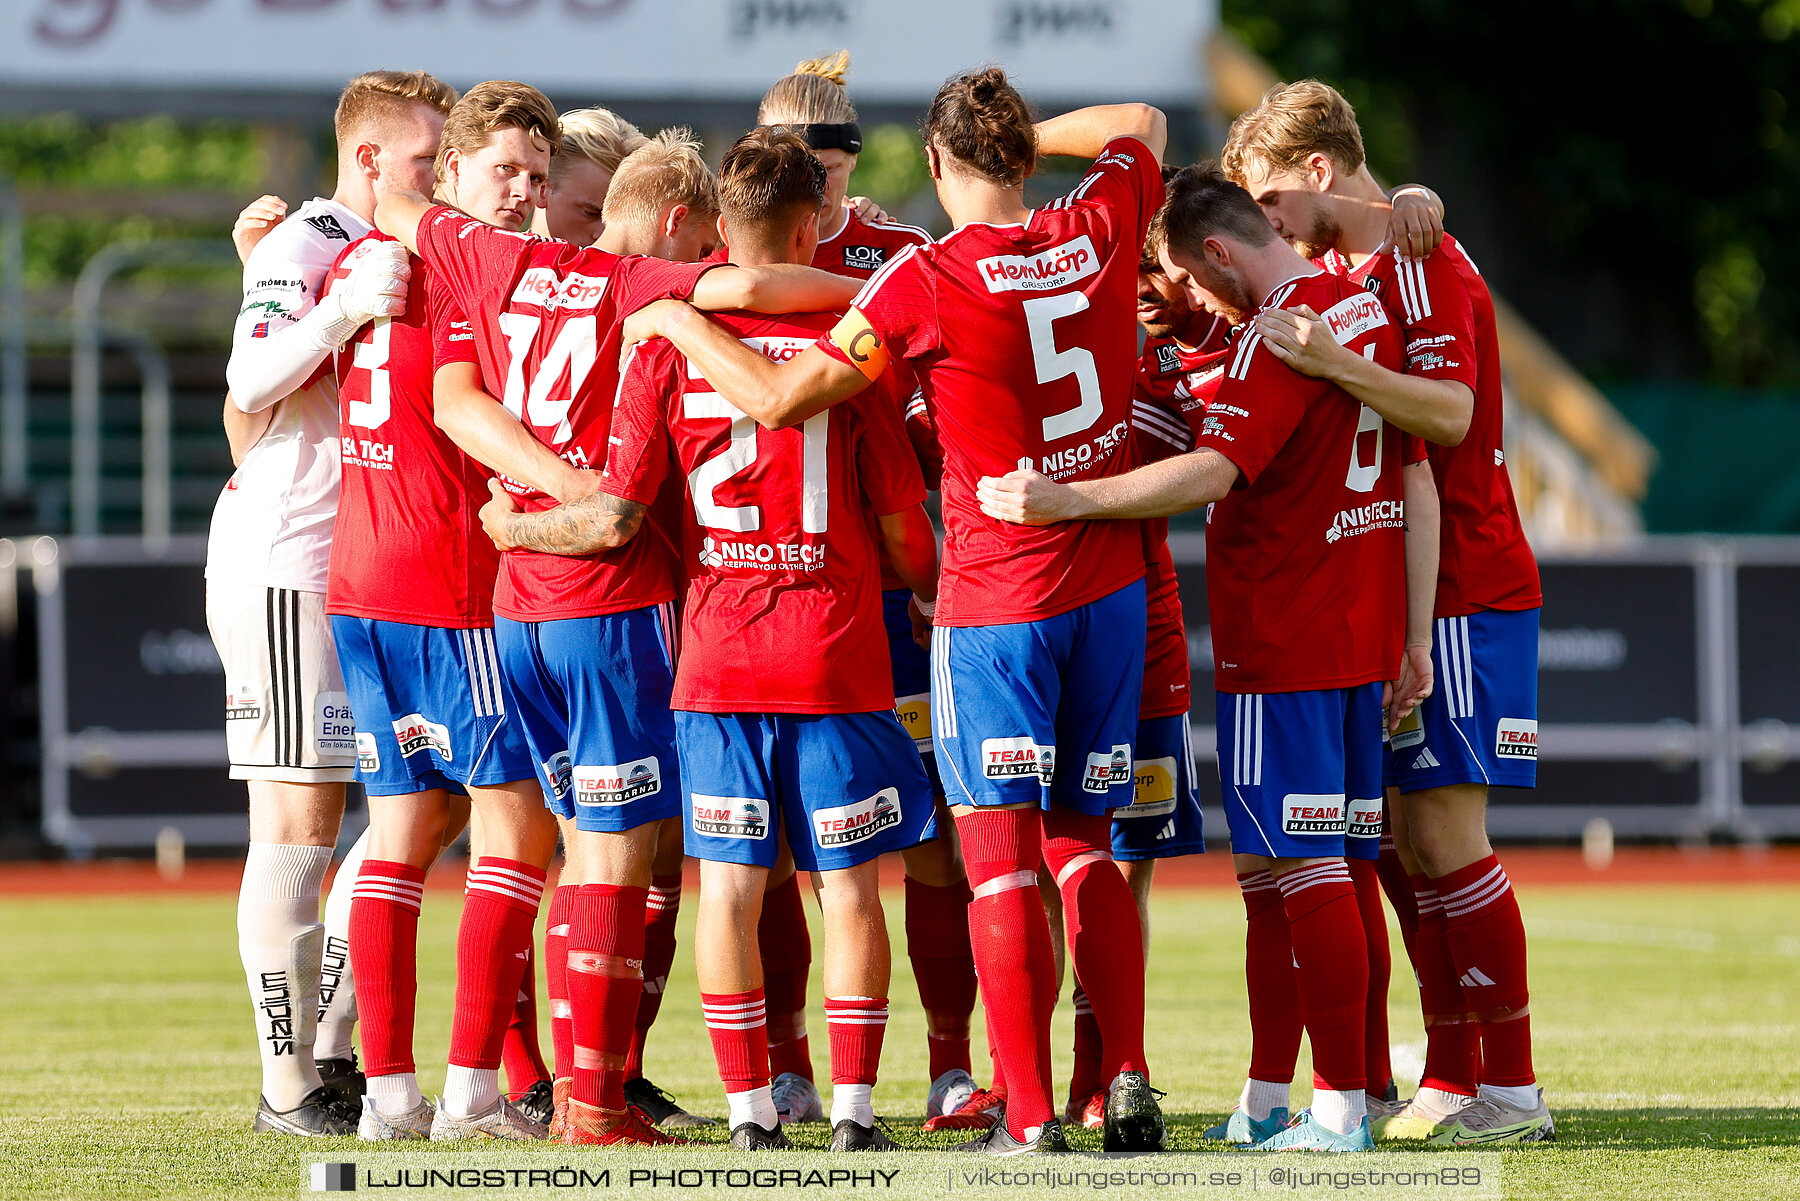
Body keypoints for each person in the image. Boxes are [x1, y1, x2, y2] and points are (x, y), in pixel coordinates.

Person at [614, 70, 1170, 1156]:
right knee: (1085, 850)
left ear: (929, 164)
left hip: (997, 594)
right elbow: (1141, 121)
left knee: (996, 856)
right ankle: (1130, 1081)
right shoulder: (1103, 221)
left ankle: (1027, 1112)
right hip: (1109, 585)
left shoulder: (922, 278)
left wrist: (680, 312)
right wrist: (1029, 140)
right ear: (1016, 153)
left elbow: (778, 398)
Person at [372, 124, 862, 1145]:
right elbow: (759, 291)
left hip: (516, 607)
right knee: (616, 858)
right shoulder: (643, 282)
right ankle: (592, 1099)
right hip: (612, 605)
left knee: (564, 855)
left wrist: (516, 512)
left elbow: (403, 212)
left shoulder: (493, 255)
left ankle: (562, 1090)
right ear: (680, 227)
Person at [485, 128, 942, 1151]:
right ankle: (857, 1113)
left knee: (728, 889)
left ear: (719, 230)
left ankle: (746, 1113)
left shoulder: (659, 341)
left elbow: (621, 509)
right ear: (813, 224)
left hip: (719, 658)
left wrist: (512, 528)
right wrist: (927, 585)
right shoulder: (852, 341)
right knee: (851, 890)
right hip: (835, 653)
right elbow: (910, 533)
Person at [976, 163, 1438, 1152]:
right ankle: (1274, 1095)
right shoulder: (1350, 309)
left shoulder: (1279, 334)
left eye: (1184, 282)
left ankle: (1342, 1104)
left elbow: (1217, 470)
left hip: (1292, 632)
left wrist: (1071, 500)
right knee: (1293, 874)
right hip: (1352, 627)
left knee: (1308, 871)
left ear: (1217, 255)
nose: (1182, 304)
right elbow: (1407, 468)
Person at [1225, 80, 1551, 1146]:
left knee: (1446, 832)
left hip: (1465, 583)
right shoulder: (1365, 261)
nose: (1267, 222)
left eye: (1272, 197)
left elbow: (1451, 414)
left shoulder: (1416, 258)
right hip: (1406, 594)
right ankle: (1455, 1076)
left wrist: (1335, 363)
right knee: (1407, 839)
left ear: (1320, 170)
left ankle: (1511, 1083)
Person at [315, 80, 597, 1143]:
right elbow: (462, 409)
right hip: (448, 580)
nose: (522, 193)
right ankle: (473, 1087)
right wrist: (573, 485)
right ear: (454, 169)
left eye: (536, 175)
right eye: (503, 171)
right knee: (514, 828)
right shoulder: (472, 267)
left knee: (395, 838)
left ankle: (391, 1094)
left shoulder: (362, 261)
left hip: (363, 578)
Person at [207, 69, 455, 1138]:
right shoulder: (307, 238)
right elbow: (250, 377)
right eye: (422, 158)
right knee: (299, 823)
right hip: (289, 555)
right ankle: (287, 1085)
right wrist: (340, 305)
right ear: (366, 161)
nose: (434, 177)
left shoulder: (401, 243)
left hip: (365, 559)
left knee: (424, 806)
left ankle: (328, 1050)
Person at [754, 50, 977, 1127]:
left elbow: (952, 393)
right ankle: (794, 1069)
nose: (824, 171)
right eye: (799, 152)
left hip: (893, 582)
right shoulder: (726, 251)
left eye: (837, 150)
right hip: (769, 585)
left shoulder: (904, 253)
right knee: (793, 842)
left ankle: (948, 1063)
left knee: (931, 830)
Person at [532, 106, 648, 247]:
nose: (603, 236)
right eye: (590, 213)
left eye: (621, 223)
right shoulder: (499, 264)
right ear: (542, 190)